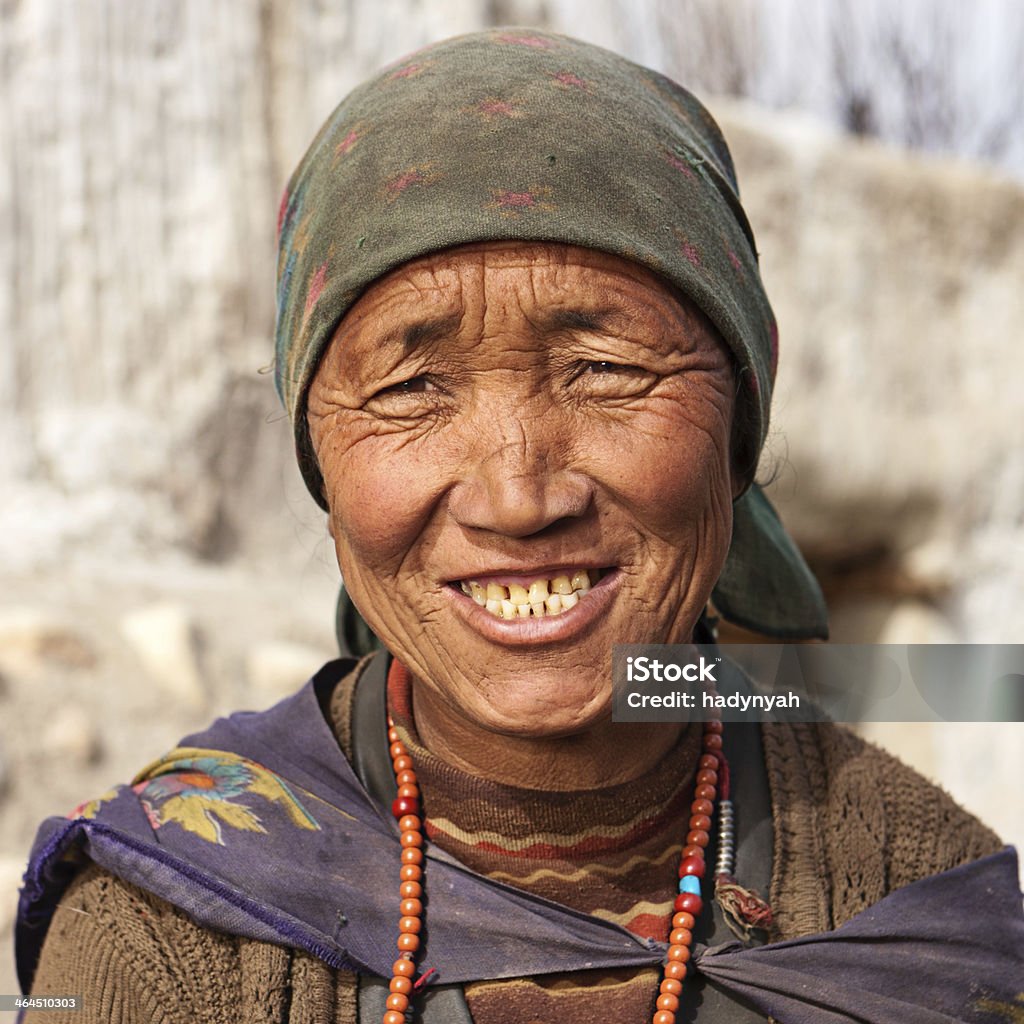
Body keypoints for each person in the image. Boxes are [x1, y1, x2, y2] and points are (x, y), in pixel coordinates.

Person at [15, 28, 1022, 1024]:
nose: (517, 496)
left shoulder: (931, 911)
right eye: (412, 389)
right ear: (321, 460)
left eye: (607, 369)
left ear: (737, 427)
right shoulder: (155, 936)